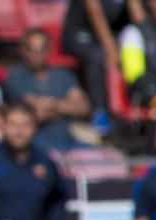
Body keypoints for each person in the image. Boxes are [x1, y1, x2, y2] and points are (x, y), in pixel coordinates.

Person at [61, 0, 145, 134]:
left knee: (135, 48)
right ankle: (100, 112)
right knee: (98, 56)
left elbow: (139, 18)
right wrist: (111, 48)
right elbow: (95, 14)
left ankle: (140, 103)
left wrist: (148, 40)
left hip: (109, 36)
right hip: (81, 34)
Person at [6, 28, 93, 151]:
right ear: (23, 50)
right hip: (34, 146)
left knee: (106, 156)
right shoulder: (16, 77)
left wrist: (53, 104)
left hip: (68, 141)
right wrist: (66, 106)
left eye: (42, 49)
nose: (37, 54)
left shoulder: (63, 75)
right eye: (31, 49)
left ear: (49, 50)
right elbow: (36, 113)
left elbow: (83, 107)